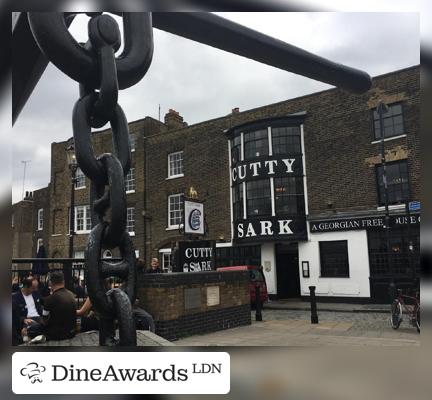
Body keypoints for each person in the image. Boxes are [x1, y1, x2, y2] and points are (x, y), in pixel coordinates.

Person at [27, 271, 77, 341]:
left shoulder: (50, 299)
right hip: (72, 332)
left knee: (30, 329)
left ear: (50, 283)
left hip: (57, 334)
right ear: (63, 281)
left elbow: (44, 321)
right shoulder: (71, 294)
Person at [12, 276, 43, 341]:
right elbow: (15, 315)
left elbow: (43, 304)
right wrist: (23, 319)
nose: (35, 289)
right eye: (33, 288)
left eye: (36, 288)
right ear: (26, 287)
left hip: (39, 317)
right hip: (27, 319)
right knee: (34, 327)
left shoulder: (36, 294)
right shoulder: (16, 298)